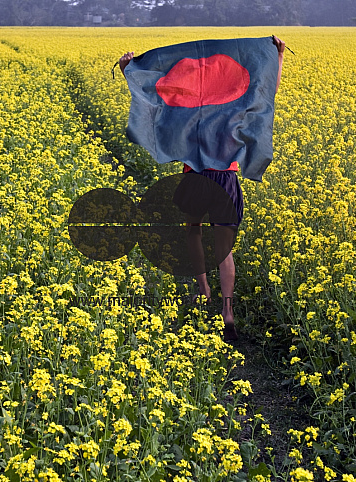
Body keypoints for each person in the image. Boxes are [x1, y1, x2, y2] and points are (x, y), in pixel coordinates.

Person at [119, 36, 286, 341]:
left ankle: (204, 292)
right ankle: (227, 310)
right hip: (226, 179)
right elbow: (266, 94)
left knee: (193, 234)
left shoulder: (191, 107)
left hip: (195, 176)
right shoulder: (237, 107)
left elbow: (156, 101)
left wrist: (129, 71)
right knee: (224, 250)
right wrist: (278, 57)